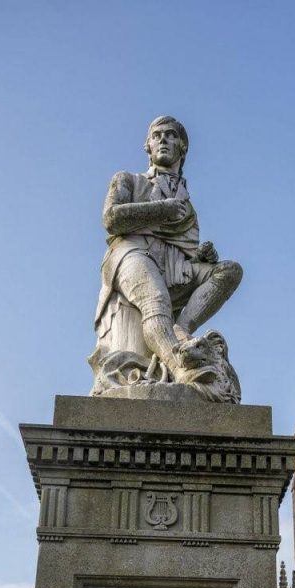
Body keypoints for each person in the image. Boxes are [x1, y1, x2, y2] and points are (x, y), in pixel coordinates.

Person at [91, 116, 242, 393]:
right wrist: (163, 209)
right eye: (156, 135)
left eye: (170, 135)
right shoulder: (127, 180)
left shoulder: (186, 200)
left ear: (182, 148)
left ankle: (180, 330)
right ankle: (180, 367)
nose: (163, 139)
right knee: (155, 300)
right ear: (147, 147)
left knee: (230, 270)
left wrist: (201, 258)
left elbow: (180, 247)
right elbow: (111, 218)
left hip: (174, 267)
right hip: (131, 252)